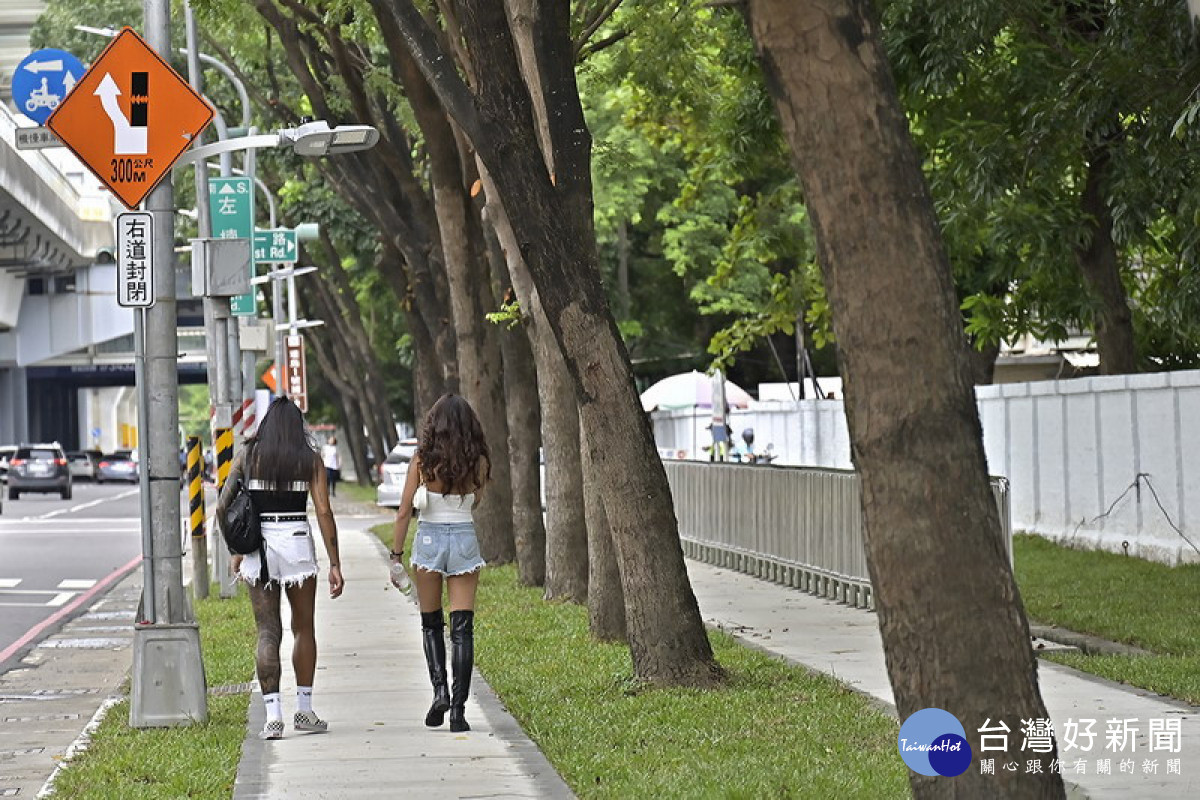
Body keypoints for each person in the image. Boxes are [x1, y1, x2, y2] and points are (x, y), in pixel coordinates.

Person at [217, 397, 344, 740]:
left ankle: (273, 717)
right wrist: (335, 563)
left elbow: (222, 505)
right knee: (304, 628)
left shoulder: (247, 455)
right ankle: (304, 711)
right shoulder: (310, 460)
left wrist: (236, 548)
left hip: (260, 547)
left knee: (267, 631)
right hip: (297, 543)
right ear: (296, 426)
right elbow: (323, 512)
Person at [390, 394, 488, 733]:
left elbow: (404, 510)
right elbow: (476, 500)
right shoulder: (479, 462)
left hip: (429, 540)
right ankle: (459, 712)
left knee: (431, 623)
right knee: (463, 628)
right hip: (464, 539)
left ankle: (440, 692)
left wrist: (396, 555)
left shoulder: (421, 461)